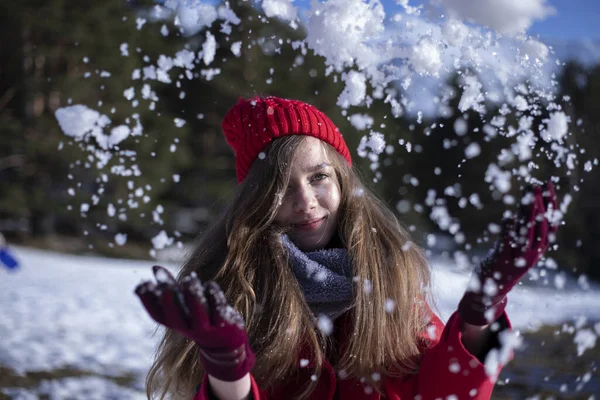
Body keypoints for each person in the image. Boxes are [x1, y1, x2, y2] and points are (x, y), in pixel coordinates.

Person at [135, 96, 559, 400]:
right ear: (256, 201)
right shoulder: (235, 288)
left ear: (342, 179)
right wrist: (228, 368)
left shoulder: (391, 277)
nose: (306, 203)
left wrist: (481, 311)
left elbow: (439, 393)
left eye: (319, 177)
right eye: (281, 187)